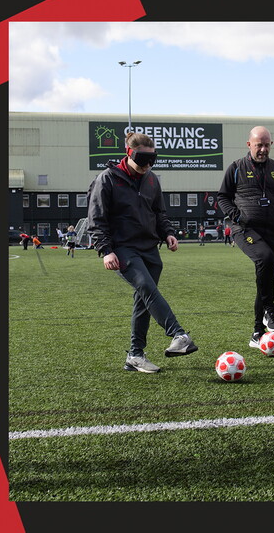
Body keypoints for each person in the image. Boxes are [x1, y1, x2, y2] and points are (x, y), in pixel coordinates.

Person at [86, 131, 198, 373]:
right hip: (123, 250)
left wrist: (167, 233)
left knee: (144, 300)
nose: (147, 166)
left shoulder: (152, 179)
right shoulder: (106, 179)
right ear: (128, 154)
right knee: (146, 288)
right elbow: (96, 218)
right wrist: (105, 250)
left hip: (150, 250)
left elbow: (159, 212)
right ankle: (179, 335)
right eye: (142, 160)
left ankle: (135, 356)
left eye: (152, 160)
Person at [217, 126, 274, 348]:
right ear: (249, 144)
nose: (263, 149)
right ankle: (270, 310)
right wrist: (237, 216)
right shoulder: (236, 168)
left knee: (267, 276)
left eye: (267, 144)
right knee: (265, 259)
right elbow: (222, 197)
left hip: (272, 231)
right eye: (259, 144)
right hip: (245, 230)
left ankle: (257, 333)